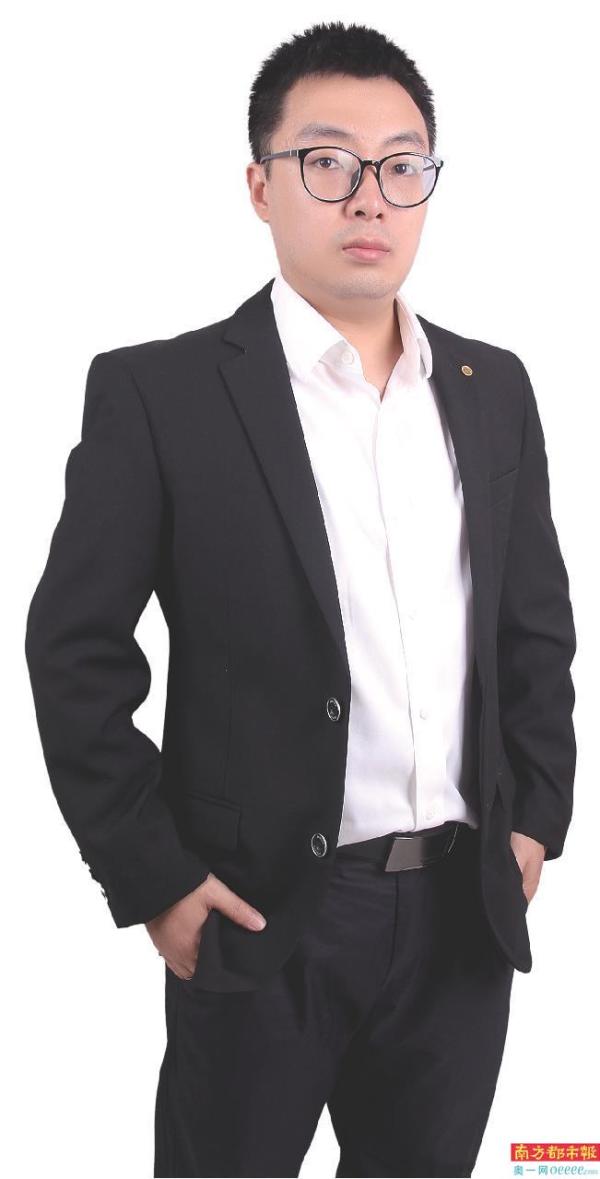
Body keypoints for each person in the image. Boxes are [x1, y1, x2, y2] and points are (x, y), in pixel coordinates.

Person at [24, 19, 577, 1179]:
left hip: (460, 920)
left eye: (401, 165)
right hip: (260, 913)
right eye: (328, 162)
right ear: (260, 187)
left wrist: (534, 822)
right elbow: (74, 649)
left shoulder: (490, 388)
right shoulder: (162, 394)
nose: (369, 196)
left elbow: (533, 628)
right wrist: (157, 878)